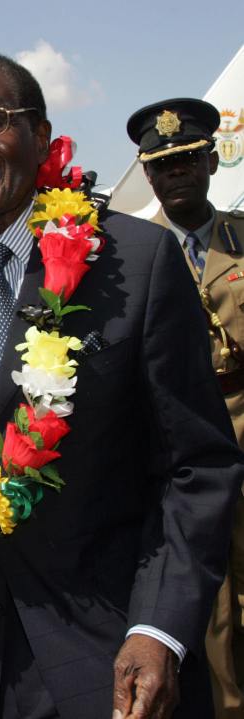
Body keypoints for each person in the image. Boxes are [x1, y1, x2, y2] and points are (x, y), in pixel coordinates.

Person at [0, 52, 244, 718]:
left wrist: (158, 630)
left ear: (41, 135)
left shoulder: (136, 262)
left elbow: (195, 466)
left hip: (110, 653)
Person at [128, 98, 244, 718]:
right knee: (205, 605)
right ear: (147, 175)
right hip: (176, 454)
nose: (176, 174)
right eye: (162, 166)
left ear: (211, 163)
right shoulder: (128, 252)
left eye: (188, 161)